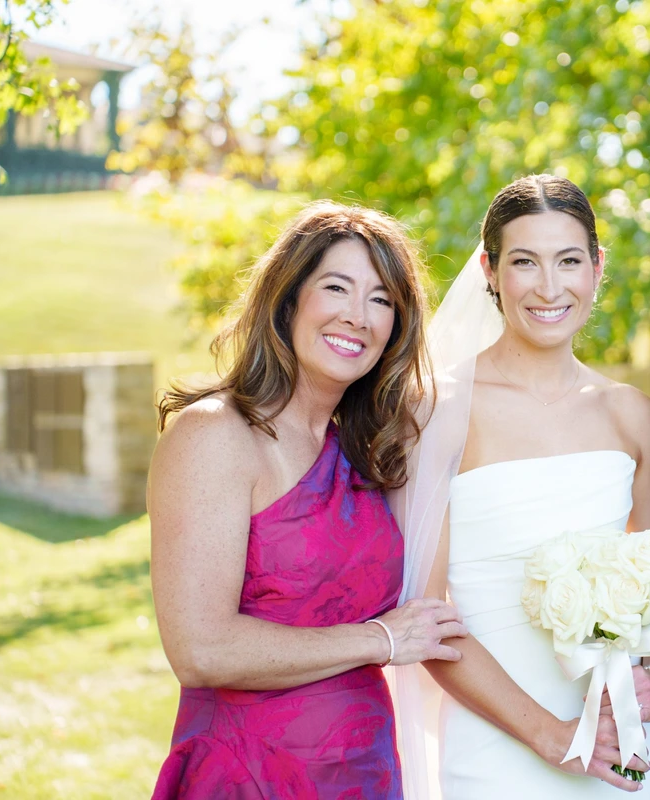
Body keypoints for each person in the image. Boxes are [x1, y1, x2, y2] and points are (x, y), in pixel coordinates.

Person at [148, 201, 468, 800]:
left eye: (381, 300)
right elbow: (200, 648)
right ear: (289, 298)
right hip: (251, 774)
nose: (358, 316)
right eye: (337, 287)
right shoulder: (215, 435)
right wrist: (380, 639)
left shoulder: (367, 451)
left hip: (365, 771)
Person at [405, 174, 650, 798]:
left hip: (617, 742)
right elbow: (426, 615)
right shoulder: (437, 410)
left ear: (597, 267)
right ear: (489, 271)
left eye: (569, 261)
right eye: (525, 262)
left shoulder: (631, 414)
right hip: (494, 746)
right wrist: (551, 735)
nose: (550, 287)